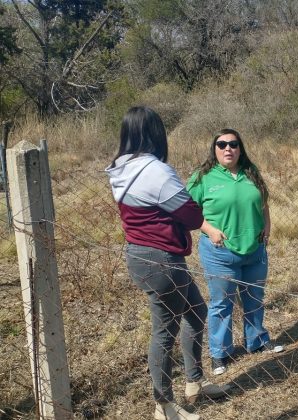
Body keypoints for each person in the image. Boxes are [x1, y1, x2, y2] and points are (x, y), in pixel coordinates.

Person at [106, 107, 227, 420]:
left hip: (141, 255)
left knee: (196, 312)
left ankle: (194, 382)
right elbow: (190, 215)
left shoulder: (119, 168)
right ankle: (164, 406)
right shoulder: (156, 171)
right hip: (161, 260)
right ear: (155, 134)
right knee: (164, 332)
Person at [187, 128, 283, 377]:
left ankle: (256, 341)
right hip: (220, 253)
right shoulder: (203, 177)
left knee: (254, 298)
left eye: (233, 144)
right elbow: (186, 211)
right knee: (222, 303)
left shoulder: (251, 173)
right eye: (222, 144)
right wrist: (209, 229)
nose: (228, 149)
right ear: (214, 149)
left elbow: (263, 204)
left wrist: (267, 227)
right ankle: (220, 353)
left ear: (241, 148)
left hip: (255, 251)